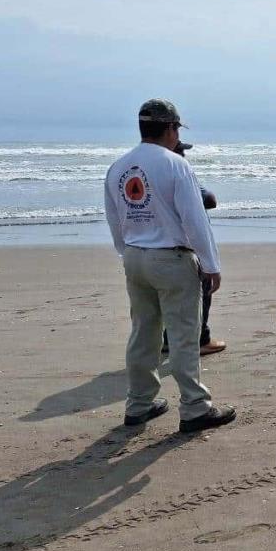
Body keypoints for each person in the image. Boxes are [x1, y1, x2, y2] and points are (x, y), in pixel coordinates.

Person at [104, 99, 236, 433]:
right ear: (170, 128)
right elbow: (194, 219)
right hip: (172, 257)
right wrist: (210, 264)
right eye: (176, 128)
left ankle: (140, 404)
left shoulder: (119, 167)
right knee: (183, 335)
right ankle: (194, 407)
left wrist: (127, 252)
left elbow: (115, 219)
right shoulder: (175, 165)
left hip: (135, 256)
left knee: (143, 334)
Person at [162, 141, 226, 356]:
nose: (183, 155)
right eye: (180, 150)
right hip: (185, 245)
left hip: (155, 247)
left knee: (167, 297)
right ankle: (201, 339)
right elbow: (209, 199)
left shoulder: (151, 172)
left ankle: (167, 339)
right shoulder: (180, 172)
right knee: (201, 292)